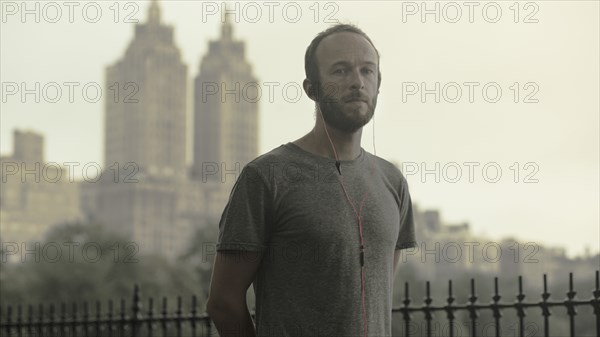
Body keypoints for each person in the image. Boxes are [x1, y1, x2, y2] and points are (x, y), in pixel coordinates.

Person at [206, 23, 417, 337]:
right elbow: (223, 303)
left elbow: (376, 293)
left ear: (378, 83)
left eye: (367, 71)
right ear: (311, 89)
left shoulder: (392, 182)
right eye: (340, 71)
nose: (357, 82)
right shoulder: (266, 177)